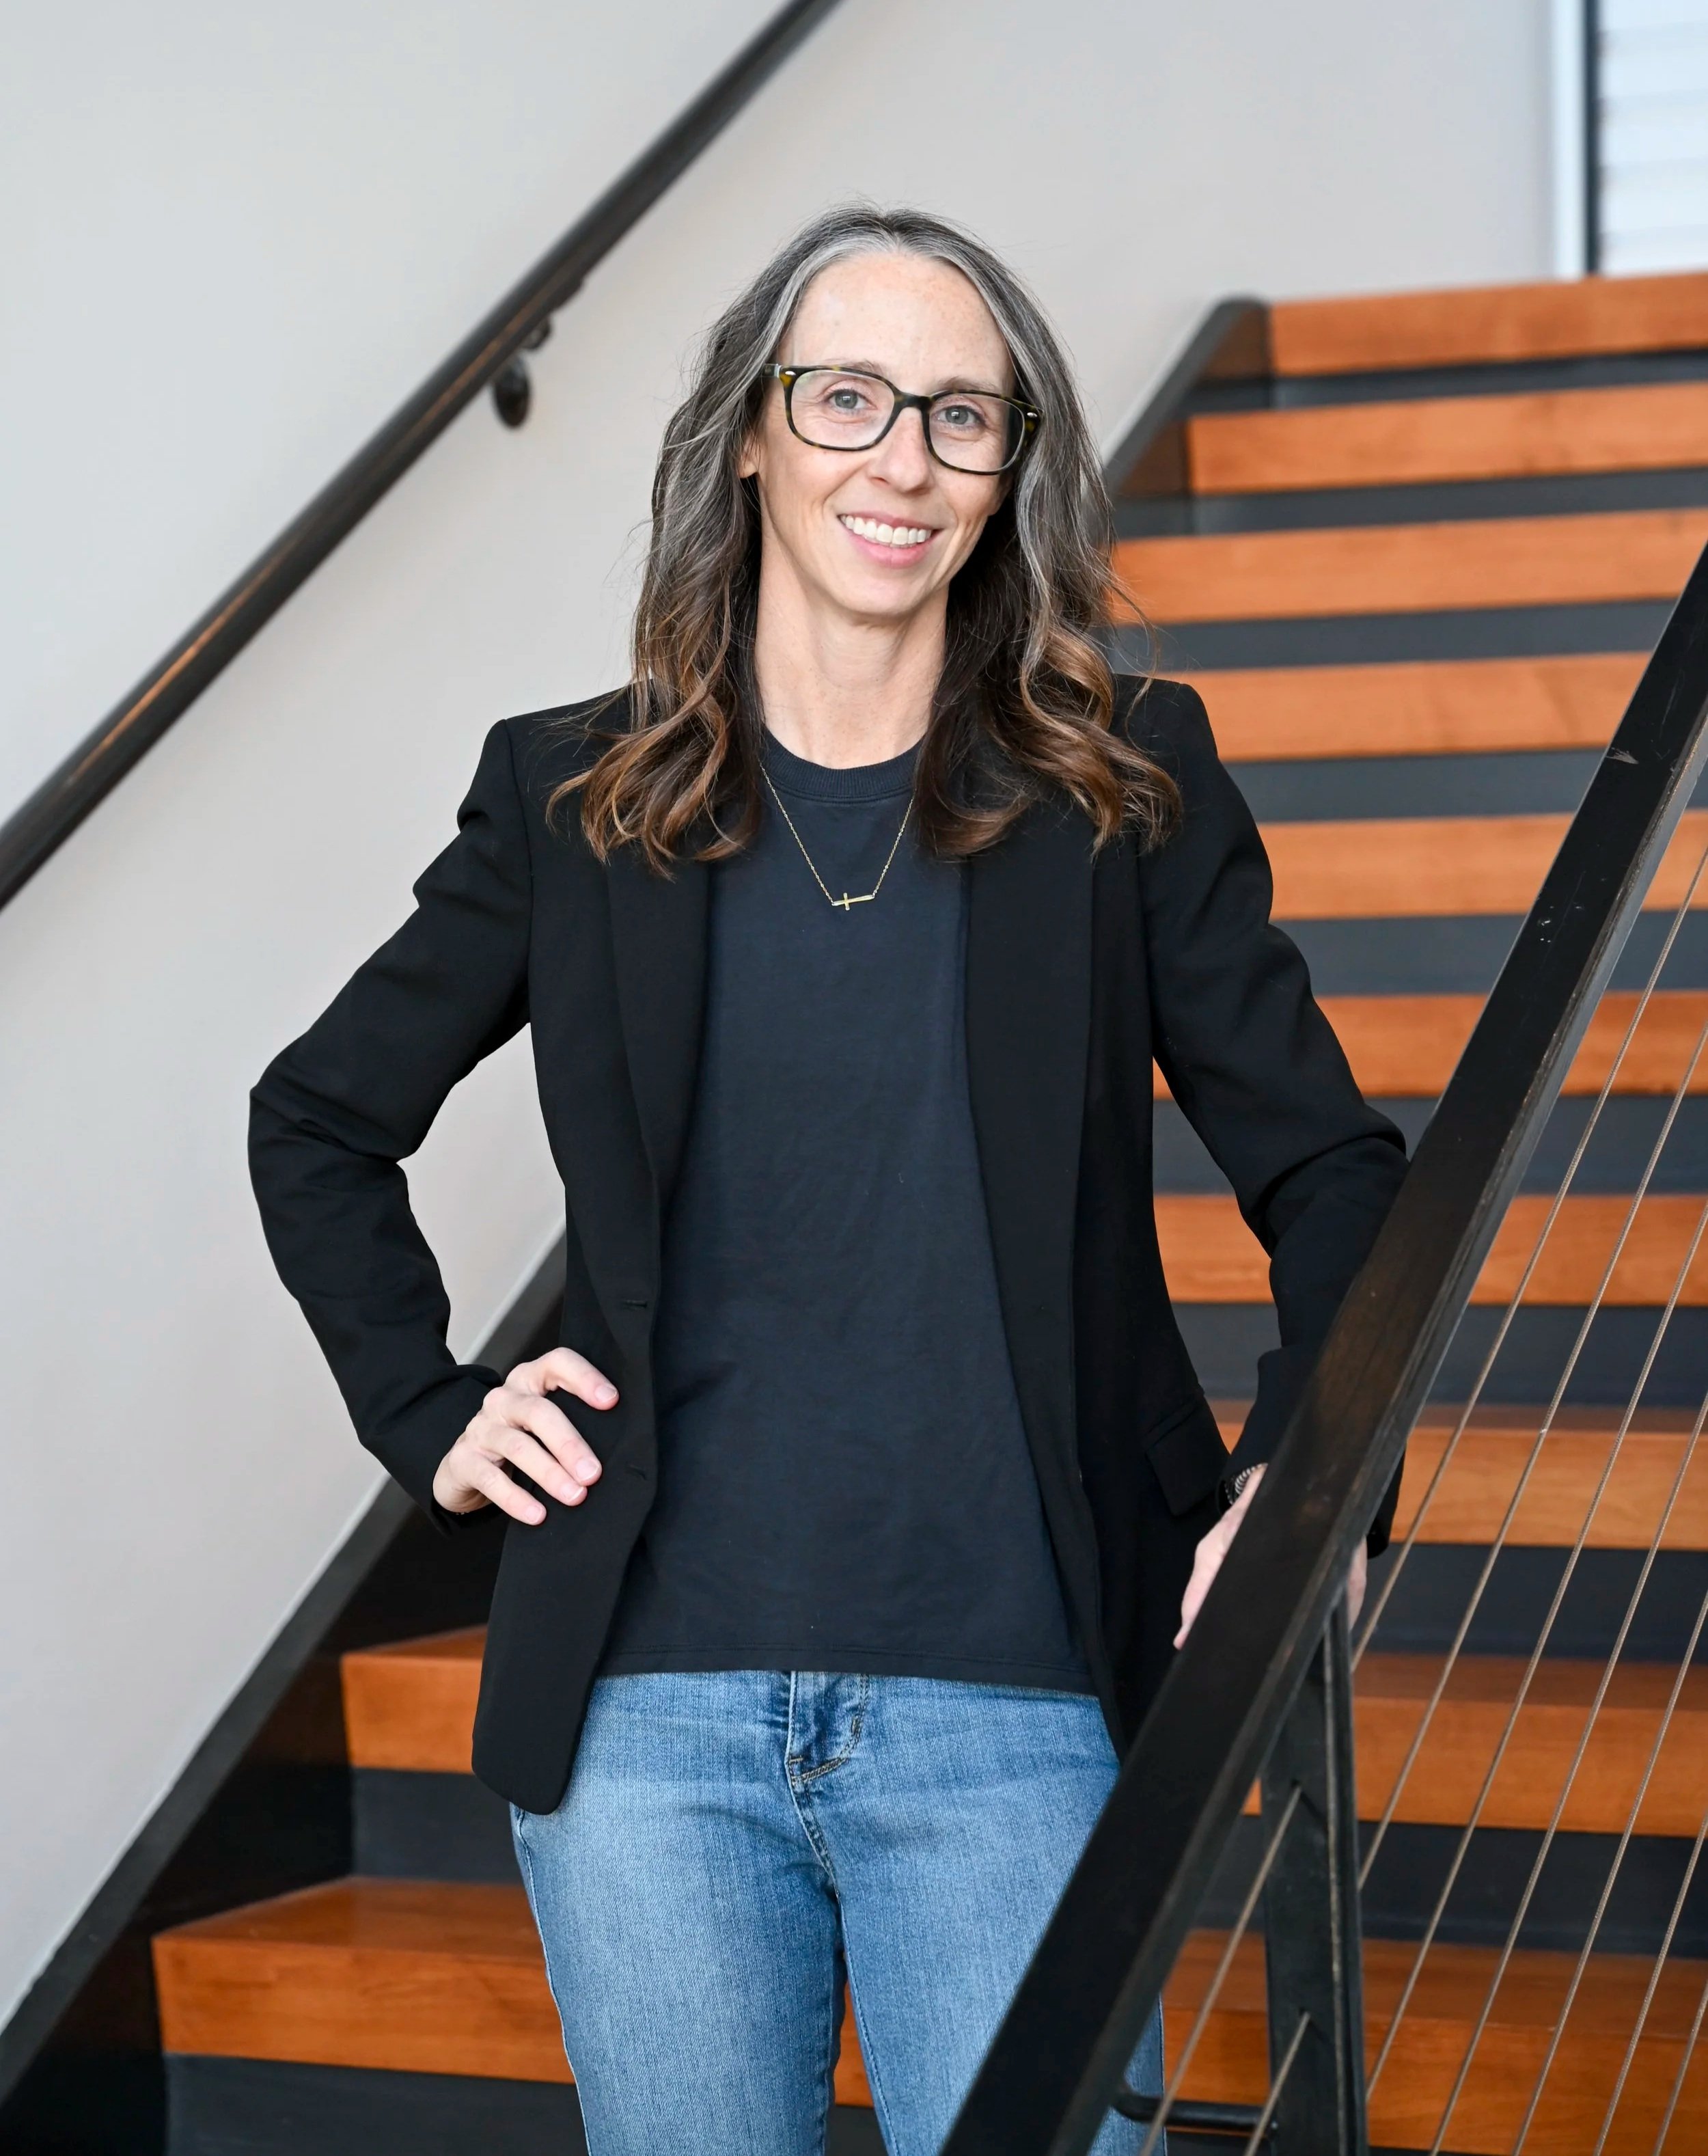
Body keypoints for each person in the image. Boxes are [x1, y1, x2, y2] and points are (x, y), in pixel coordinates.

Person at [249, 204, 1405, 2156]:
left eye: (965, 416)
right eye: (851, 397)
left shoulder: (1123, 786)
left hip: (1017, 1702)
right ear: (757, 437)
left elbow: (1335, 1172)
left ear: (1010, 472)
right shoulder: (571, 799)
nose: (905, 458)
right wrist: (430, 1411)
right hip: (645, 1722)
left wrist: (1312, 1476)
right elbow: (318, 1118)